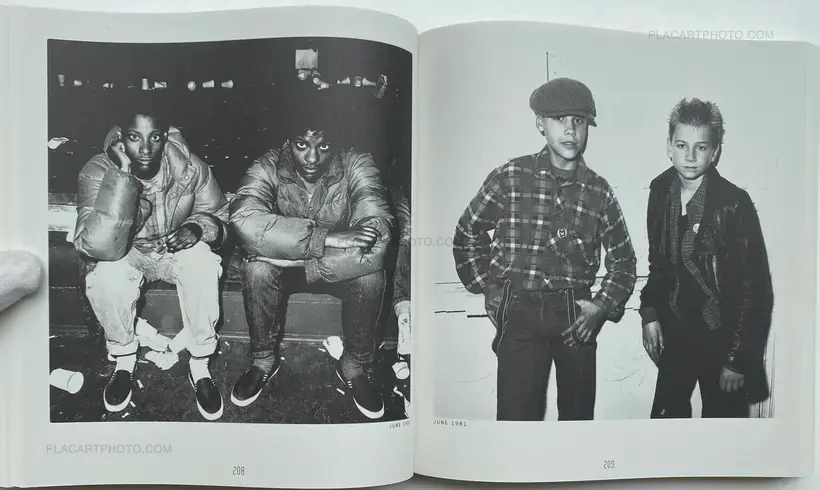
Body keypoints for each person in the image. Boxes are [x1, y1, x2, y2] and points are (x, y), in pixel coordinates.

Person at [452, 77, 637, 421]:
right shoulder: (511, 176)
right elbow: (468, 230)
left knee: (576, 421)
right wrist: (487, 285)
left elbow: (624, 261)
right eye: (559, 119)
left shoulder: (599, 191)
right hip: (519, 311)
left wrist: (600, 307)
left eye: (578, 120)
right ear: (540, 124)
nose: (570, 130)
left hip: (575, 315)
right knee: (516, 419)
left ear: (587, 126)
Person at [228, 92, 394, 420]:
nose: (313, 157)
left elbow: (379, 240)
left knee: (371, 277)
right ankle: (263, 360)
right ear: (287, 142)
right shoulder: (266, 166)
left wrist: (290, 258)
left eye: (324, 145)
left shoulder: (358, 164)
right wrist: (325, 238)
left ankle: (355, 365)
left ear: (337, 142)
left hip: (333, 268)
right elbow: (243, 221)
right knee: (257, 271)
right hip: (321, 260)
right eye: (302, 145)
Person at [73, 93, 230, 421]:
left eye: (154, 137)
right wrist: (123, 175)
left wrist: (199, 227)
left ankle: (200, 363)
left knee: (203, 263)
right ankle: (124, 358)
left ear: (165, 136)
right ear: (120, 138)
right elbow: (97, 245)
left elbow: (220, 217)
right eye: (134, 137)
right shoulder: (97, 171)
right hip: (127, 251)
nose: (145, 148)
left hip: (174, 251)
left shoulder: (190, 167)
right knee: (105, 276)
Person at [639, 97, 774, 418]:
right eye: (681, 145)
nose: (690, 156)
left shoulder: (734, 204)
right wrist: (650, 313)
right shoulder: (660, 190)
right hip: (676, 331)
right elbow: (658, 264)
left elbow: (756, 291)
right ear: (669, 146)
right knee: (665, 422)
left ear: (715, 152)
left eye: (700, 147)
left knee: (724, 428)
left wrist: (737, 360)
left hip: (721, 336)